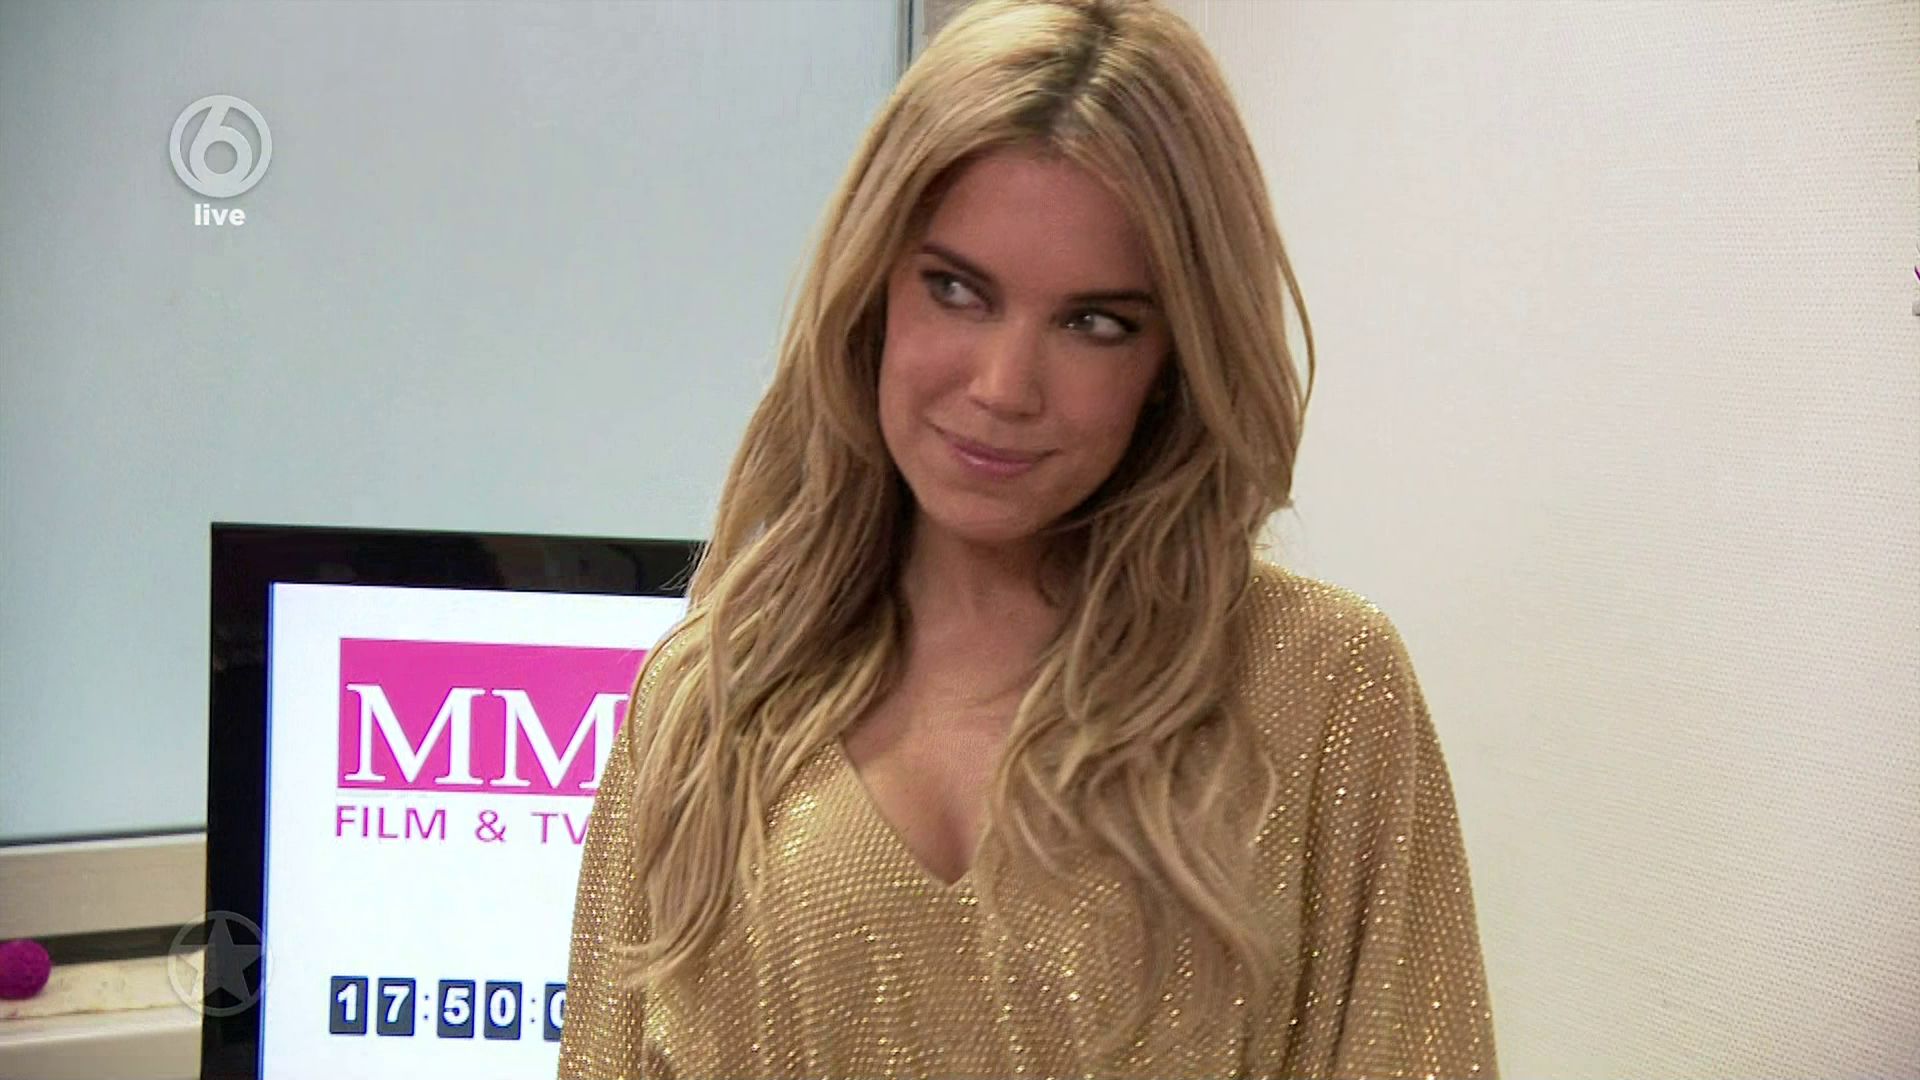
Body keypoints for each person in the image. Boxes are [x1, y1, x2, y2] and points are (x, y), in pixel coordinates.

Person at [558, 0, 1497, 1076]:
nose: (1005, 388)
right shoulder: (710, 699)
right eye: (957, 291)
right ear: (871, 293)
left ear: (1174, 360)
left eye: (1094, 323)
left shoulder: (1320, 686)